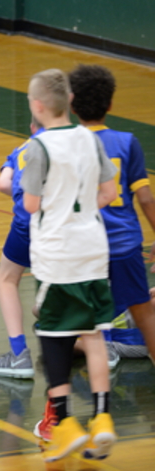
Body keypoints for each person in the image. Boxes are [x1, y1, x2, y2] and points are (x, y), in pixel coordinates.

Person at [21, 69, 117, 462]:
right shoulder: (91, 139)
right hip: (93, 249)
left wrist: (57, 208)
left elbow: (30, 204)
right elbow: (109, 191)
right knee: (93, 335)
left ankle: (63, 424)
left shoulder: (38, 147)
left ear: (37, 106)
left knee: (53, 336)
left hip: (57, 255)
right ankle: (102, 417)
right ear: (70, 101)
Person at [69, 64, 155, 363]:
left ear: (72, 104)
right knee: (144, 313)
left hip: (81, 246)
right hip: (124, 244)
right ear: (110, 104)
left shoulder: (64, 145)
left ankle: (99, 355)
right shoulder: (127, 142)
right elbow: (146, 198)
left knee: (71, 316)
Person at [0, 118, 43, 380]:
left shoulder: (21, 149)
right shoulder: (71, 142)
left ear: (32, 126)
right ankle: (103, 342)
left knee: (7, 278)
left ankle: (19, 354)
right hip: (61, 225)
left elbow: (2, 184)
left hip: (26, 224)